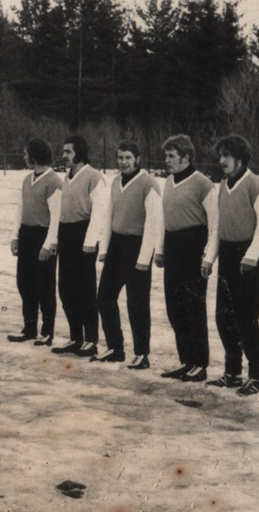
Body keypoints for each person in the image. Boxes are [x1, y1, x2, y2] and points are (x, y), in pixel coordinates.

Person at [205, 134, 259, 396]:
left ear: (240, 158)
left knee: (246, 318)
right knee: (224, 317)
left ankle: (258, 376)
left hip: (247, 257)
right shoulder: (223, 185)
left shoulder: (255, 184)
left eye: (226, 156)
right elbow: (218, 226)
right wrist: (209, 258)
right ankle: (232, 372)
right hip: (228, 254)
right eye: (220, 156)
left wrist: (251, 256)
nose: (221, 161)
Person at [92, 141, 162, 369]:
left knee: (137, 303)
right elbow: (108, 217)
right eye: (120, 157)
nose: (124, 162)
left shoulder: (148, 184)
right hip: (117, 246)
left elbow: (153, 223)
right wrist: (104, 249)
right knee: (104, 297)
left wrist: (144, 259)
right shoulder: (114, 182)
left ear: (138, 159)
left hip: (138, 246)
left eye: (128, 158)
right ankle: (115, 348)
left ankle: (142, 354)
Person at [155, 135, 217, 382]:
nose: (167, 160)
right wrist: (160, 250)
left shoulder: (203, 183)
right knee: (175, 307)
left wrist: (208, 256)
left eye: (171, 156)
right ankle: (186, 361)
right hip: (173, 246)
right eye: (166, 155)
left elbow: (215, 223)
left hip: (194, 246)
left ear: (186, 157)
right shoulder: (169, 181)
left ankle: (200, 365)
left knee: (193, 308)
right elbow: (164, 219)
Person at [50, 135, 108, 357]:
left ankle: (91, 340)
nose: (64, 156)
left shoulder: (94, 177)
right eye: (64, 151)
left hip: (83, 236)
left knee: (85, 290)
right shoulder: (67, 177)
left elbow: (99, 212)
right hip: (66, 234)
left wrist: (90, 242)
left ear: (80, 152)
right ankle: (76, 338)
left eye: (68, 152)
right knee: (66, 289)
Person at [7, 138, 62, 346]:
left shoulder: (53, 182)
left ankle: (47, 332)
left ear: (35, 155)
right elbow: (19, 210)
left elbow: (56, 217)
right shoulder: (26, 180)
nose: (24, 157)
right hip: (27, 235)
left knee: (44, 287)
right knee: (25, 283)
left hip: (43, 236)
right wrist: (15, 236)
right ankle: (29, 328)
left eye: (26, 153)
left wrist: (48, 245)